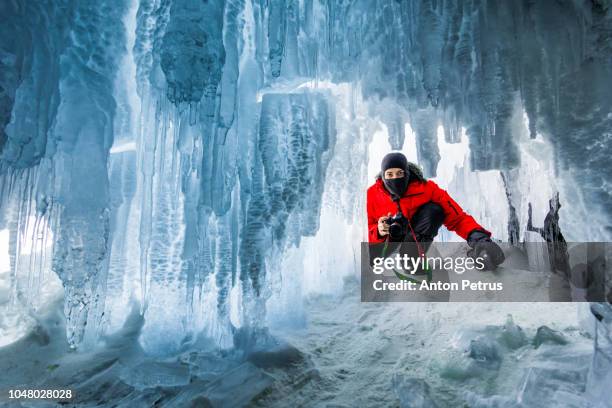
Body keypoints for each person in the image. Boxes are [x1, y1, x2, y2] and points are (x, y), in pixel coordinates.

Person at [367, 152, 505, 269]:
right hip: (383, 245)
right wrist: (378, 231)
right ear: (383, 176)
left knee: (435, 210)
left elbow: (458, 218)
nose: (395, 178)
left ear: (407, 173)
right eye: (389, 174)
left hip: (412, 240)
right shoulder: (371, 195)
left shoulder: (427, 189)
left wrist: (480, 240)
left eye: (400, 173)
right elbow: (360, 233)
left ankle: (411, 259)